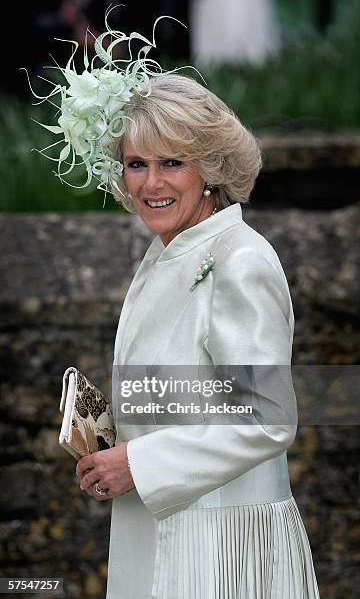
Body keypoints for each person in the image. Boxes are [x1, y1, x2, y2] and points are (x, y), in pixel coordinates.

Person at [75, 72, 321, 597]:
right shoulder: (170, 250)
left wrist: (138, 463)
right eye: (137, 164)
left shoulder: (240, 259)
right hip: (162, 531)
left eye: (172, 163)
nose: (151, 183)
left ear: (210, 168)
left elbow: (266, 419)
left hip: (218, 549)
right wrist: (107, 436)